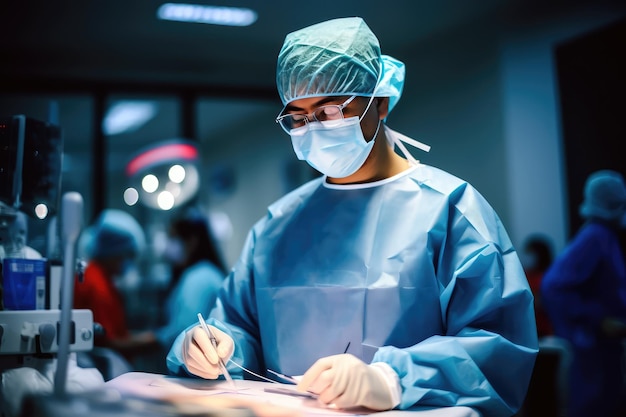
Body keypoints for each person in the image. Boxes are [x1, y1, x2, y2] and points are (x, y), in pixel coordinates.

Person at [166, 17, 538, 416]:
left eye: (329, 111)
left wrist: (390, 379)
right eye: (298, 117)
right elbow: (241, 325)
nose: (313, 128)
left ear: (379, 102)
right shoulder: (277, 225)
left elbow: (497, 345)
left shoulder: (450, 210)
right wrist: (216, 345)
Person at [541, 169, 626, 417]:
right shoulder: (595, 237)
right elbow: (553, 287)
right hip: (591, 348)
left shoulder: (605, 237)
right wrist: (599, 319)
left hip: (604, 348)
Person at [126, 207, 229, 371]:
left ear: (192, 240)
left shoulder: (199, 278)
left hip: (198, 371)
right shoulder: (205, 272)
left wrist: (128, 344)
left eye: (173, 238)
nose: (168, 246)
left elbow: (181, 332)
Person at [73, 209, 145, 357]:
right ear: (113, 252)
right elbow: (108, 342)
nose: (128, 263)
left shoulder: (100, 277)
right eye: (127, 256)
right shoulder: (97, 285)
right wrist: (151, 341)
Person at [521, 234, 555, 338]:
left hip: (545, 330)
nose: (526, 257)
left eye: (529, 253)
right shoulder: (523, 275)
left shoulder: (549, 277)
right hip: (526, 330)